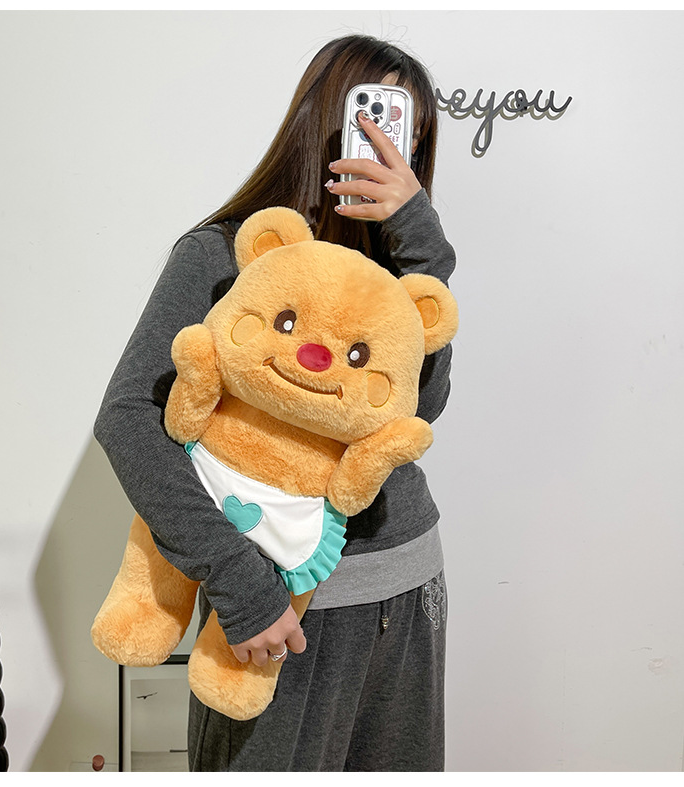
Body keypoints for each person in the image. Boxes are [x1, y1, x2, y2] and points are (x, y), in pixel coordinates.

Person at [94, 34, 456, 772]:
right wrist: (239, 583)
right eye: (372, 124)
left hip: (407, 584)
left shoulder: (396, 270)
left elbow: (423, 410)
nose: (392, 152)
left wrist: (425, 253)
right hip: (275, 603)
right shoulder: (226, 252)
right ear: (327, 121)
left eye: (410, 137)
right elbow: (128, 417)